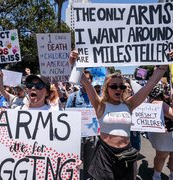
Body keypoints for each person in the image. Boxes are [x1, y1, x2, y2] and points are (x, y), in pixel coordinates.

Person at [69, 49, 170, 180]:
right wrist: (73, 62)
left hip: (126, 155)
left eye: (121, 86)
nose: (118, 89)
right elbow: (86, 82)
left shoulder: (130, 104)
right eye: (114, 86)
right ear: (107, 88)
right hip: (105, 155)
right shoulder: (100, 105)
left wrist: (165, 64)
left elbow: (150, 84)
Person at [66, 69, 96, 180]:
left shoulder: (95, 97)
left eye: (88, 79)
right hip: (76, 136)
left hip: (91, 136)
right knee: (74, 162)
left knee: (90, 163)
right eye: (83, 79)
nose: (85, 82)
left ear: (91, 81)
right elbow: (67, 116)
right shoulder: (72, 97)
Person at [147, 83, 173, 180]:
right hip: (165, 134)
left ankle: (168, 175)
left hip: (165, 133)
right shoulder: (159, 103)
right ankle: (157, 176)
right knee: (162, 156)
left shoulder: (152, 101)